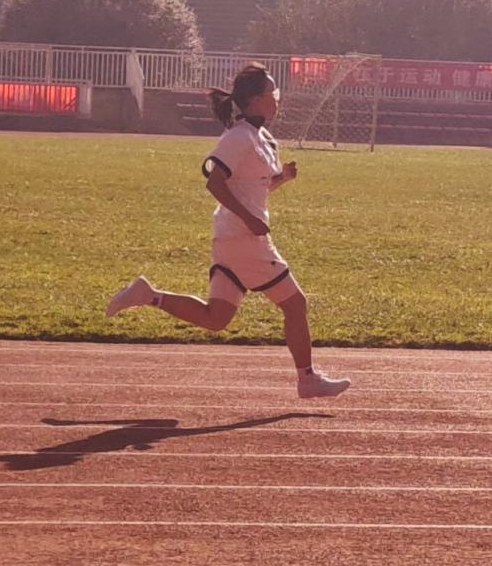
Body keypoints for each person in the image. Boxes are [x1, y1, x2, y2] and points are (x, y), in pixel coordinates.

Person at [106, 62, 350, 399]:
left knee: (216, 317)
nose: (278, 99)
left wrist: (282, 178)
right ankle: (307, 379)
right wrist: (250, 220)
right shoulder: (238, 137)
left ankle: (149, 295)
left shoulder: (262, 138)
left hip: (230, 238)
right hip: (244, 238)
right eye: (273, 93)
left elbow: (253, 187)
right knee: (295, 304)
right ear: (255, 99)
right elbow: (215, 182)